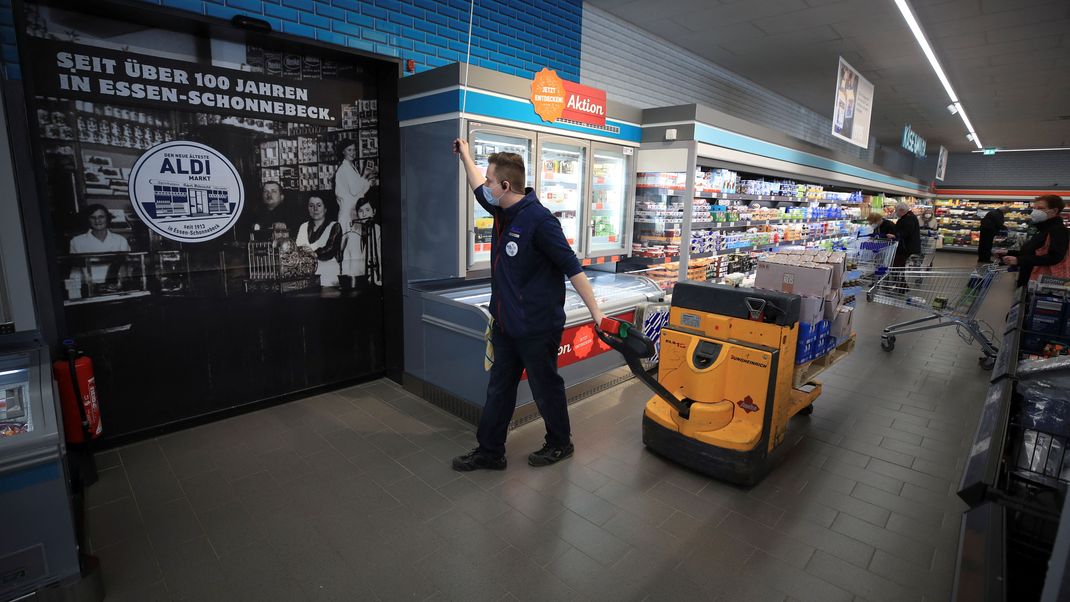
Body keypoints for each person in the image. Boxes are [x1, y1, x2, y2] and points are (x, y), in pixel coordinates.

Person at [451, 138, 605, 472]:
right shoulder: (500, 209)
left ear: (506, 186)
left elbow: (572, 268)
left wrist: (597, 314)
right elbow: (478, 185)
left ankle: (560, 443)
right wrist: (465, 155)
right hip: (506, 325)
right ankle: (490, 452)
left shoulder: (541, 221)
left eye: (493, 181)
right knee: (499, 390)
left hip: (537, 327)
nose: (487, 186)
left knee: (546, 388)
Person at [1001, 195, 1069, 286]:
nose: (1035, 211)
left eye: (1040, 208)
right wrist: (1009, 252)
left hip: (1041, 282)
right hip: (1031, 278)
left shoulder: (1058, 230)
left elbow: (1054, 257)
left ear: (1054, 211)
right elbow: (1033, 252)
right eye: (1034, 208)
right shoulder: (1044, 228)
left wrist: (1019, 260)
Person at [68, 204, 131, 289]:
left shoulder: (120, 240)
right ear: (87, 220)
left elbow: (126, 268)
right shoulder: (76, 241)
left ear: (107, 218)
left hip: (116, 288)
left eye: (101, 217)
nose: (97, 221)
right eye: (92, 217)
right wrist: (74, 292)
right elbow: (75, 272)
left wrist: (121, 284)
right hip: (89, 289)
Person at [295, 195, 342, 287]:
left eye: (319, 205)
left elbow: (330, 249)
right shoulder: (303, 226)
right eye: (311, 206)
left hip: (329, 276)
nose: (315, 209)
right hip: (308, 277)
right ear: (308, 208)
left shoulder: (335, 226)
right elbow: (297, 250)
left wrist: (310, 254)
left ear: (325, 209)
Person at [339, 197, 381, 287]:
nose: (364, 214)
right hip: (355, 278)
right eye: (361, 211)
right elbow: (347, 254)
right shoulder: (353, 231)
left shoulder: (378, 231)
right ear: (357, 214)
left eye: (367, 210)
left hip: (374, 279)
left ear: (374, 212)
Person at [334, 139, 371, 234]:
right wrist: (364, 176)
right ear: (343, 151)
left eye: (354, 150)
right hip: (348, 214)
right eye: (349, 150)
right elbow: (355, 190)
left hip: (355, 211)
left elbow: (361, 191)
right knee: (349, 245)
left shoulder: (352, 168)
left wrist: (367, 178)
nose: (353, 153)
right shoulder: (344, 169)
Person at [890, 202, 920, 268]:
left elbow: (906, 232)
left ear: (901, 210)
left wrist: (895, 235)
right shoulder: (909, 217)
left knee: (898, 263)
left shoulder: (908, 219)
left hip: (906, 248)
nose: (896, 212)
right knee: (900, 264)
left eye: (896, 210)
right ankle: (899, 276)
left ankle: (898, 276)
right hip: (908, 247)